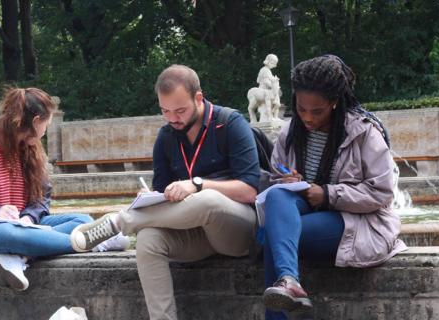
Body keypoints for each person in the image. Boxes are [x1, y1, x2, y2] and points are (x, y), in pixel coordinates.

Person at [70, 64, 261, 320]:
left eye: (180, 110)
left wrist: (196, 184)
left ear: (198, 98)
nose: (173, 118)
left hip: (237, 230)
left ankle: (122, 221)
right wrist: (149, 199)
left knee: (205, 198)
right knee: (148, 239)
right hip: (195, 235)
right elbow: (163, 198)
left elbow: (249, 190)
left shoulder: (230, 123)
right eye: (165, 111)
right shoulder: (166, 136)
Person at [260, 55, 407, 319]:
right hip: (306, 211)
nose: (307, 117)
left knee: (274, 235)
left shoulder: (363, 132)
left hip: (357, 220)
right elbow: (274, 179)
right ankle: (289, 281)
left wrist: (327, 194)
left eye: (317, 111)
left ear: (335, 102)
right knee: (279, 196)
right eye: (301, 109)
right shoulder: (289, 132)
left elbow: (381, 192)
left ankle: (284, 294)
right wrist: (290, 181)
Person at [0, 87, 127, 291]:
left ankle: (20, 256)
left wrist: (29, 216)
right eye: (47, 123)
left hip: (23, 227)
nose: (46, 129)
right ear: (36, 121)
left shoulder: (30, 147)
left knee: (82, 221)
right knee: (8, 233)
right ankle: (91, 243)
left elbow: (42, 196)